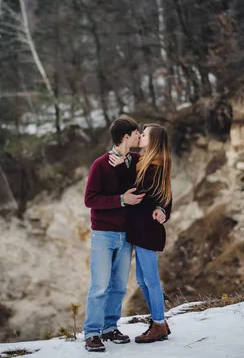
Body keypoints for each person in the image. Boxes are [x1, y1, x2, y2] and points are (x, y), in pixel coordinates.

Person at [82, 116, 145, 352]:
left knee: (118, 287)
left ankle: (109, 328)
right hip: (104, 234)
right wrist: (121, 199)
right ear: (126, 136)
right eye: (137, 133)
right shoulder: (100, 164)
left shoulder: (135, 161)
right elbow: (90, 199)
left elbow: (135, 185)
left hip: (126, 234)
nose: (140, 136)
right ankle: (92, 333)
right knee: (99, 286)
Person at [109, 123, 173, 343]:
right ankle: (159, 321)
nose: (140, 136)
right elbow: (162, 198)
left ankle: (158, 325)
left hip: (147, 229)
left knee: (151, 280)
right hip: (141, 229)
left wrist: (162, 209)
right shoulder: (146, 160)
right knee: (143, 280)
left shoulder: (155, 165)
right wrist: (123, 161)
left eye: (144, 134)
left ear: (153, 140)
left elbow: (139, 191)